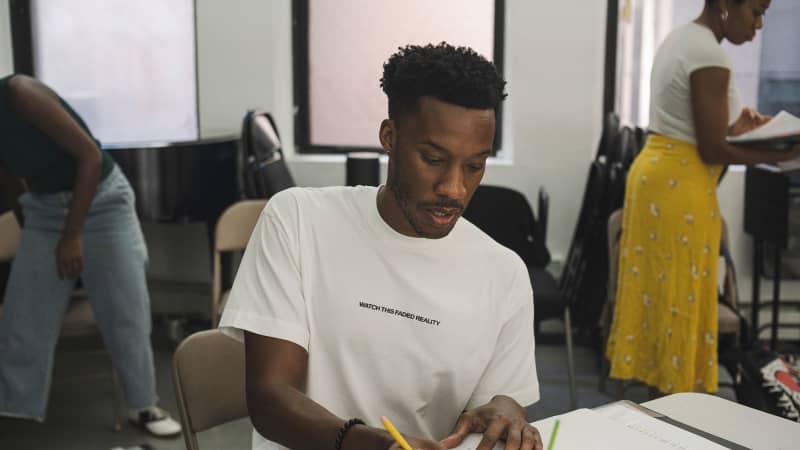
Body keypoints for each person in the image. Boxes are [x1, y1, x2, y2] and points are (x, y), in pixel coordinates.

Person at [219, 42, 542, 450]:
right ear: (389, 137)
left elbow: (500, 402)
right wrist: (377, 446)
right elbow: (269, 398)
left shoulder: (504, 273)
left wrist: (505, 410)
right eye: (433, 158)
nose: (454, 188)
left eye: (474, 166)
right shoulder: (297, 220)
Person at [606, 0, 800, 396]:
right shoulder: (707, 53)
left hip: (662, 177)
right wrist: (786, 152)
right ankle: (669, 414)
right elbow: (712, 149)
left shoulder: (683, 39)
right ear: (727, 5)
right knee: (677, 303)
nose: (760, 24)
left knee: (664, 304)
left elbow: (698, 130)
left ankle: (660, 412)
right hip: (679, 185)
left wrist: (740, 130)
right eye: (756, 12)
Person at [0, 74, 181, 437]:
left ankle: (144, 405)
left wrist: (72, 235)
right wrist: (25, 216)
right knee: (22, 321)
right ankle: (14, 411)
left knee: (124, 313)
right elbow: (6, 169)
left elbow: (90, 156)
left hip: (102, 203)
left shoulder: (18, 93)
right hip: (44, 211)